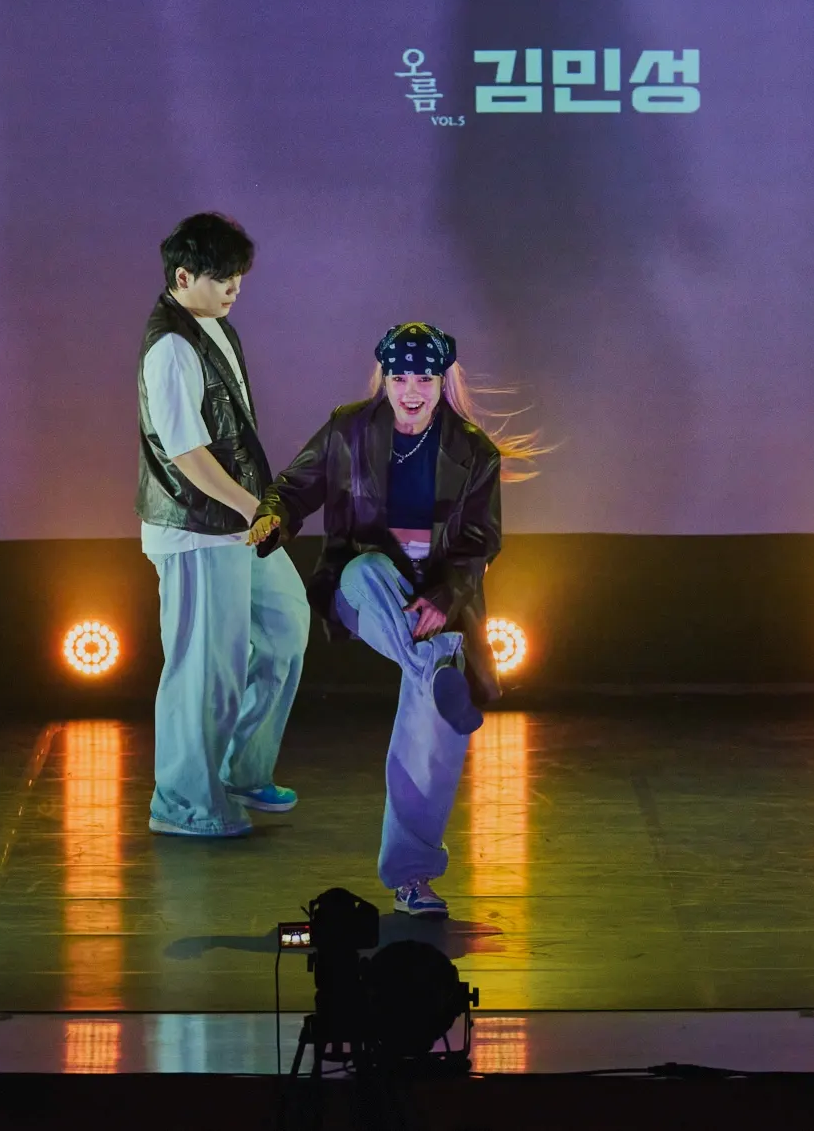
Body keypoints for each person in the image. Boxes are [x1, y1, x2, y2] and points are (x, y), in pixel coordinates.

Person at [248, 323, 538, 915]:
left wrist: (446, 595)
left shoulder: (474, 452)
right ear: (383, 378)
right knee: (370, 570)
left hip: (436, 606)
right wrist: (272, 517)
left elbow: (480, 543)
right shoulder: (348, 430)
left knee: (431, 736)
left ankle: (412, 879)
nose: (410, 391)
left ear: (443, 382)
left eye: (423, 379)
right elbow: (294, 488)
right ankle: (435, 666)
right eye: (399, 377)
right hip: (366, 592)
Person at [138, 213, 311, 838]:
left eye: (238, 275)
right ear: (184, 277)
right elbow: (186, 453)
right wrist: (251, 508)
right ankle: (184, 804)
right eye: (221, 277)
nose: (234, 287)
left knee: (285, 628)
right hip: (198, 530)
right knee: (203, 671)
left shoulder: (215, 326)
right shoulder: (171, 346)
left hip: (237, 521)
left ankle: (241, 769)